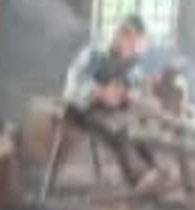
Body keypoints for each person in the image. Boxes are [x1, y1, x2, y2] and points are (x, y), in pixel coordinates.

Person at [60, 14, 160, 187]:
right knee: (118, 129)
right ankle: (136, 179)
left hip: (108, 108)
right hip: (81, 109)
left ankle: (154, 169)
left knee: (139, 125)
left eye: (137, 45)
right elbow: (73, 85)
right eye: (132, 43)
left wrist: (134, 92)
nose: (134, 50)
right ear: (120, 35)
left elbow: (134, 83)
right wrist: (100, 92)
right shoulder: (94, 54)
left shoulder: (129, 59)